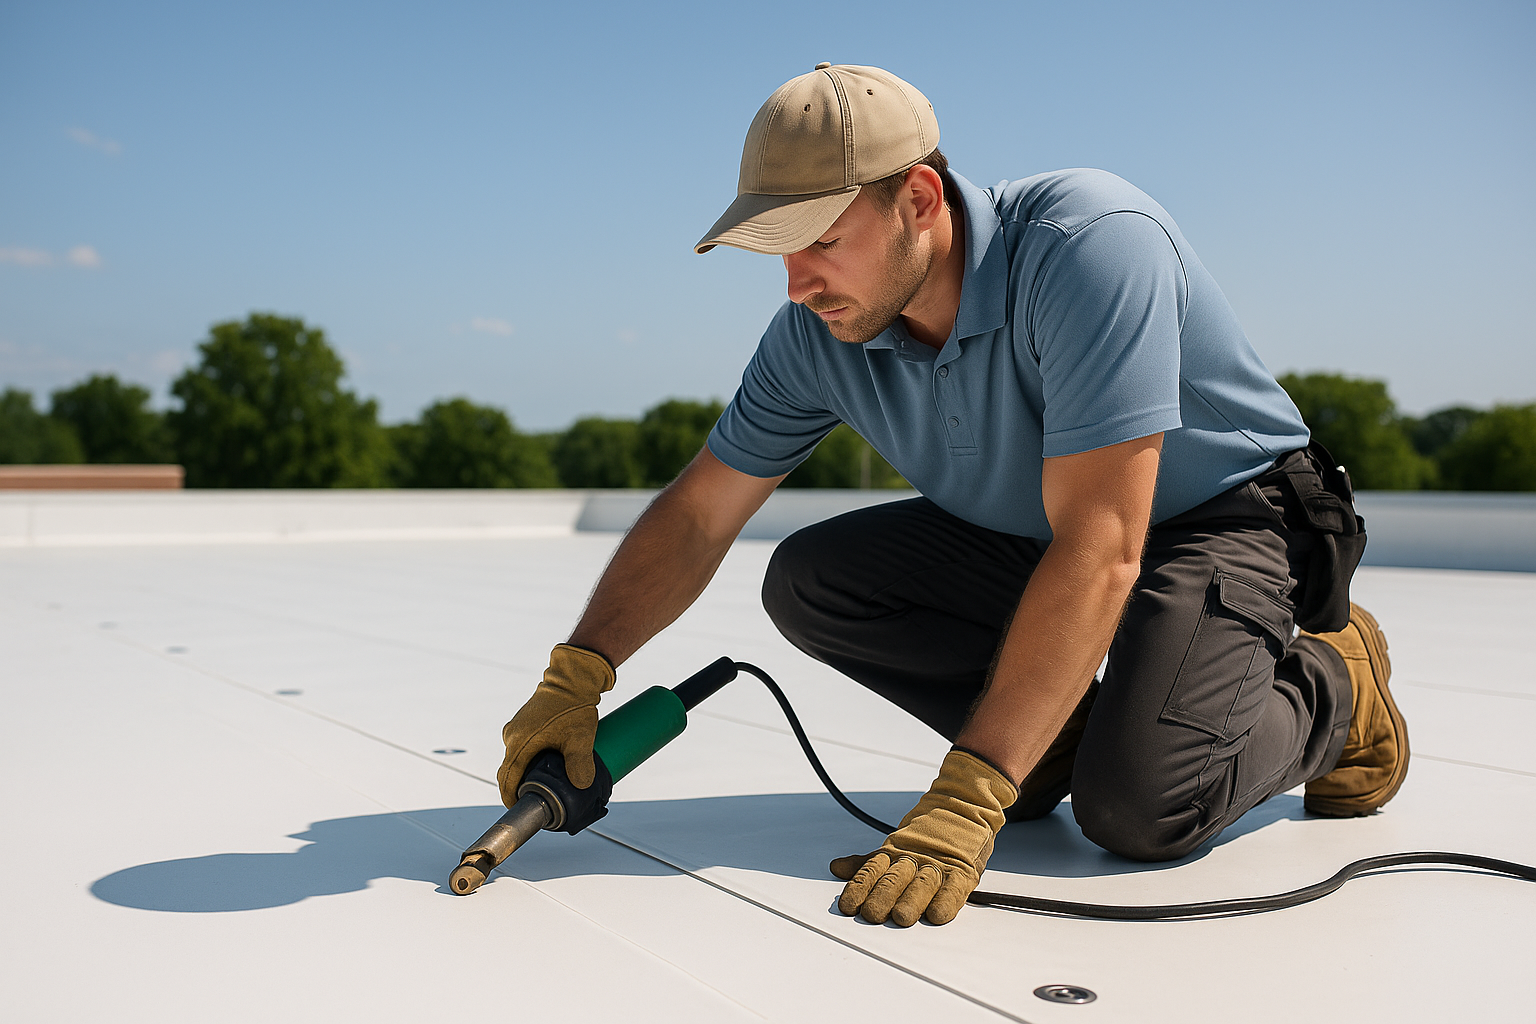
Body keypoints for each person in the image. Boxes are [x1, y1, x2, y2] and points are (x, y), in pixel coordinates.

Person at [497, 63, 1409, 928]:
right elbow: (700, 512)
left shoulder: (1088, 246)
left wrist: (967, 797)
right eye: (778, 250)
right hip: (1046, 533)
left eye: (821, 241)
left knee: (1139, 808)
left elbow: (1104, 542)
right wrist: (577, 673)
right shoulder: (817, 333)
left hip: (1218, 518)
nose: (797, 283)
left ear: (921, 202)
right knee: (815, 577)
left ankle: (1336, 680)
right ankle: (1044, 748)